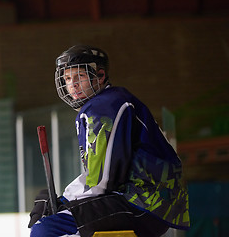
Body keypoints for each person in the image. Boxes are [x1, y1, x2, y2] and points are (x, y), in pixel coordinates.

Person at [28, 45, 190, 237]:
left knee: (47, 230)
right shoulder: (107, 102)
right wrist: (66, 199)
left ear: (100, 76)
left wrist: (64, 200)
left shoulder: (104, 106)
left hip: (143, 202)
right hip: (148, 203)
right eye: (68, 78)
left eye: (79, 76)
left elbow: (101, 180)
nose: (73, 85)